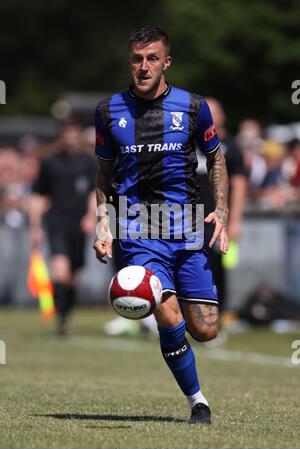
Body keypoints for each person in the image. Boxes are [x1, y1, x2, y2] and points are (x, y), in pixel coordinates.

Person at [93, 26, 229, 424]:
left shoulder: (193, 106)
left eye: (152, 58)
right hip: (137, 229)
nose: (144, 66)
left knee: (205, 330)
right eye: (137, 58)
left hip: (186, 229)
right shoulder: (107, 111)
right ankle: (197, 401)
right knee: (168, 315)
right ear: (129, 62)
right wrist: (104, 224)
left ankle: (178, 343)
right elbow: (103, 175)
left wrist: (221, 210)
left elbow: (217, 158)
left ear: (166, 61)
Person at [28, 122, 97, 335]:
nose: (71, 139)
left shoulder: (89, 163)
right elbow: (39, 196)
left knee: (72, 275)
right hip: (57, 222)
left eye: (74, 135)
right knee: (60, 271)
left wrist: (90, 217)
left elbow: (94, 194)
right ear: (62, 137)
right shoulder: (50, 163)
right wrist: (35, 226)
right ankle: (61, 319)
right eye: (67, 135)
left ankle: (66, 315)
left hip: (79, 224)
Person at [197, 97, 248, 310]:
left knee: (216, 267)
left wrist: (234, 219)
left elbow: (239, 185)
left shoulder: (231, 148)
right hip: (189, 218)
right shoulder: (190, 144)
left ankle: (219, 312)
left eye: (212, 112)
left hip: (218, 219)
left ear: (222, 116)